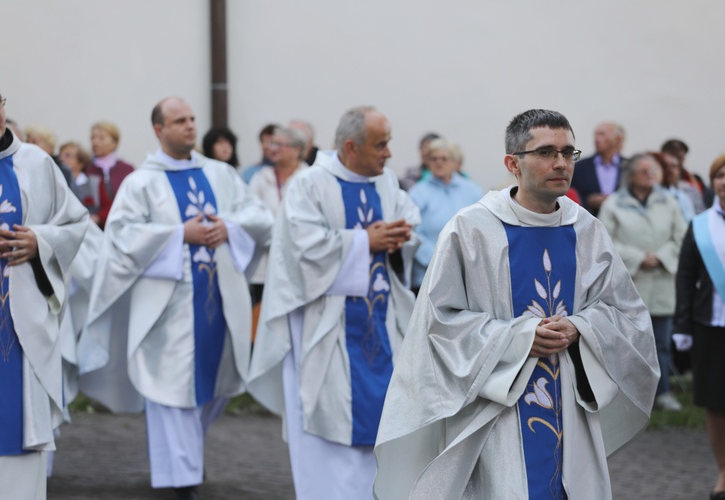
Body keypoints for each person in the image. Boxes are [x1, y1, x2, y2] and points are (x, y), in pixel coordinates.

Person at [374, 109, 659, 499]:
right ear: (513, 163)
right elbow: (438, 322)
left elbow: (627, 314)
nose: (560, 163)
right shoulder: (472, 229)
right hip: (497, 412)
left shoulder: (587, 229)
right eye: (545, 152)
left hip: (569, 408)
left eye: (568, 152)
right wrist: (520, 337)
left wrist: (581, 328)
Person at [79, 97, 272, 499]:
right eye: (178, 120)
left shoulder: (220, 174)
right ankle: (179, 480)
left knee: (212, 388)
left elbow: (260, 218)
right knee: (169, 389)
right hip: (167, 309)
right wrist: (176, 235)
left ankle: (184, 467)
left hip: (219, 305)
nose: (188, 126)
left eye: (191, 119)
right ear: (158, 129)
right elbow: (121, 237)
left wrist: (229, 227)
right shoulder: (141, 183)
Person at [248, 106, 420, 499]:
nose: (389, 153)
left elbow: (410, 223)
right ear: (350, 146)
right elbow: (298, 253)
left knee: (383, 421)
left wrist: (400, 239)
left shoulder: (387, 183)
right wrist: (363, 241)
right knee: (328, 423)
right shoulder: (310, 185)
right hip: (324, 328)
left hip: (381, 323)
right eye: (381, 144)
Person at [0, 68, 88, 499]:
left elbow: (75, 225)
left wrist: (40, 241)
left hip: (22, 336)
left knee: (20, 442)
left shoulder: (36, 163)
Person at [599, 154, 686, 411]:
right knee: (626, 343)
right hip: (630, 282)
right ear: (632, 174)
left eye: (654, 170)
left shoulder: (668, 202)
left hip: (661, 281)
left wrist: (661, 257)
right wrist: (638, 257)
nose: (652, 174)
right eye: (645, 170)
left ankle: (662, 394)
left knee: (661, 342)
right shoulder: (614, 204)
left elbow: (682, 236)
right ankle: (627, 398)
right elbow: (604, 239)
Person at [674, 154, 725, 499]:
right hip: (711, 326)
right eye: (720, 175)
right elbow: (686, 277)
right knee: (716, 403)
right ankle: (724, 472)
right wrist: (682, 325)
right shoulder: (701, 224)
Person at [247, 126, 309, 340]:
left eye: (279, 144)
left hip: (299, 263)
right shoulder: (260, 178)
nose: (273, 149)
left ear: (297, 150)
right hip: (264, 262)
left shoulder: (309, 177)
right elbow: (252, 216)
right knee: (263, 323)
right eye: (272, 144)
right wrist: (276, 235)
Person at [408, 138, 483, 293]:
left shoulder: (472, 190)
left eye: (444, 158)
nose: (438, 163)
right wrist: (440, 259)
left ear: (454, 162)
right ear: (427, 162)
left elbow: (481, 227)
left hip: (465, 274)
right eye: (433, 159)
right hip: (427, 275)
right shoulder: (417, 193)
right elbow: (413, 232)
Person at [570, 122, 625, 215]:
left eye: (602, 134)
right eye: (595, 135)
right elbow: (571, 197)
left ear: (617, 139)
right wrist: (588, 201)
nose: (596, 139)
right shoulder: (580, 167)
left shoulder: (628, 166)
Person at [58, 141, 112, 227]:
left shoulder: (94, 183)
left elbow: (107, 208)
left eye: (67, 156)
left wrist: (97, 217)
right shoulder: (58, 183)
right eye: (60, 155)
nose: (61, 159)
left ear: (80, 164)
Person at [87, 120, 134, 202]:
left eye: (101, 138)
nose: (95, 142)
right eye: (93, 138)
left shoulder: (126, 170)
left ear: (114, 142)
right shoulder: (86, 168)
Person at [662, 138, 714, 211]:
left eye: (681, 157)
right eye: (675, 156)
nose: (677, 161)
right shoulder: (651, 185)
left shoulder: (695, 181)